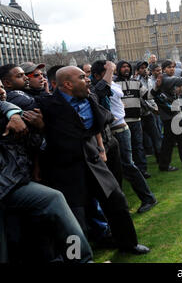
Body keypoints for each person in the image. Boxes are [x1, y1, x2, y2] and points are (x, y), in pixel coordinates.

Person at [36, 66, 151, 255]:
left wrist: (101, 148)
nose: (88, 79)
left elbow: (97, 124)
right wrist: (21, 118)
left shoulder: (90, 98)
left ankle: (128, 244)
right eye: (82, 77)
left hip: (94, 161)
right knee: (74, 220)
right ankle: (76, 258)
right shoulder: (46, 105)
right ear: (67, 84)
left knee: (117, 202)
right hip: (67, 169)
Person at [0, 86, 93, 263]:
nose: (1, 91)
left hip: (15, 183)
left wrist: (39, 126)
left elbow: (34, 144)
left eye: (1, 87)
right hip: (9, 185)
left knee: (52, 203)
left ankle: (79, 259)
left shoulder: (11, 116)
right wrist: (12, 112)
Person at [91, 60, 158, 214]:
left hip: (119, 130)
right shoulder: (110, 85)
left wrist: (108, 71)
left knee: (127, 165)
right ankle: (120, 205)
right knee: (117, 169)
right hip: (114, 130)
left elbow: (103, 90)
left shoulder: (109, 86)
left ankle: (148, 198)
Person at [152, 60, 182, 172]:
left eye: (173, 67)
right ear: (164, 69)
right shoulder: (164, 78)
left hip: (174, 113)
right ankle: (164, 165)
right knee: (168, 142)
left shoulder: (168, 78)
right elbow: (177, 80)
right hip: (168, 115)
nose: (172, 69)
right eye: (169, 67)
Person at [114, 60, 151, 179]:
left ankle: (142, 170)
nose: (126, 69)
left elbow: (148, 95)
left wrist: (158, 87)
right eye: (123, 67)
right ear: (119, 69)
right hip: (122, 123)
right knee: (125, 149)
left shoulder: (136, 82)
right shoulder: (113, 84)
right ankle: (127, 172)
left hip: (136, 119)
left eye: (128, 67)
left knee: (138, 146)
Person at [134, 61, 162, 162]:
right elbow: (142, 99)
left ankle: (160, 158)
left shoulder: (150, 80)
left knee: (156, 135)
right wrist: (152, 108)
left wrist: (155, 107)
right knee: (141, 138)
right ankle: (146, 156)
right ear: (137, 70)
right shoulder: (136, 81)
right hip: (142, 113)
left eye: (145, 68)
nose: (144, 70)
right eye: (141, 68)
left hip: (151, 111)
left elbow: (151, 96)